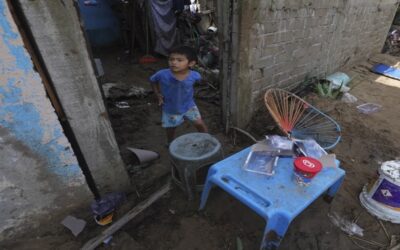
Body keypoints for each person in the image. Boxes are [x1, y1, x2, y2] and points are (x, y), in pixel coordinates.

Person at [149, 45, 208, 145]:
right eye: (171, 59)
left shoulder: (195, 75)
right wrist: (158, 94)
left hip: (189, 105)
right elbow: (152, 80)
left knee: (199, 123)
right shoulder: (162, 74)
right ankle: (170, 143)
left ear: (191, 63)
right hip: (171, 107)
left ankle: (207, 139)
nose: (174, 62)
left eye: (179, 60)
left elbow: (200, 81)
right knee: (171, 127)